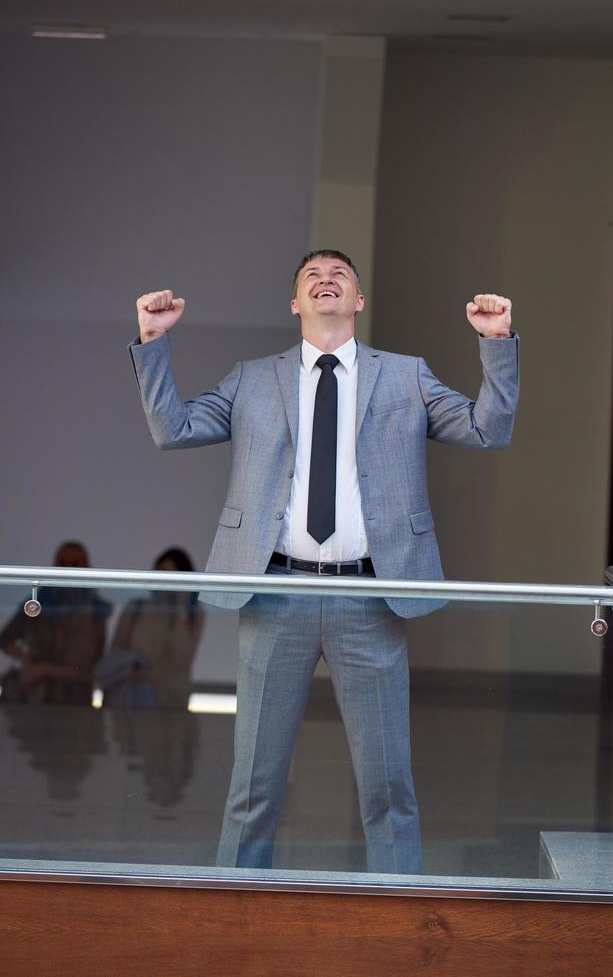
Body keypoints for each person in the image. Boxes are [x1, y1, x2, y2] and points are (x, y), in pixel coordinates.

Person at [129, 249, 519, 874]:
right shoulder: (253, 378)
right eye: (312, 276)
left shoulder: (406, 375)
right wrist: (151, 341)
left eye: (340, 275)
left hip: (369, 596)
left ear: (359, 301)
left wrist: (496, 344)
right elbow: (173, 429)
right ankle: (235, 912)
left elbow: (486, 430)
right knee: (252, 787)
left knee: (388, 787)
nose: (326, 280)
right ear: (294, 303)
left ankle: (397, 920)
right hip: (274, 591)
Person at [0, 541, 111, 705]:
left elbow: (93, 667)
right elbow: (5, 638)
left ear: (86, 567)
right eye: (62, 563)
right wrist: (26, 660)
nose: (69, 568)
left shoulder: (96, 611)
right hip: (35, 697)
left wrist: (43, 670)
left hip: (76, 701)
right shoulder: (37, 604)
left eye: (75, 564)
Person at [100, 547, 205, 709]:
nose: (161, 578)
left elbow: (181, 659)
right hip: (129, 701)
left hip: (169, 705)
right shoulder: (136, 608)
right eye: (159, 571)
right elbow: (117, 653)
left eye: (169, 574)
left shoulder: (193, 615)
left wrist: (181, 609)